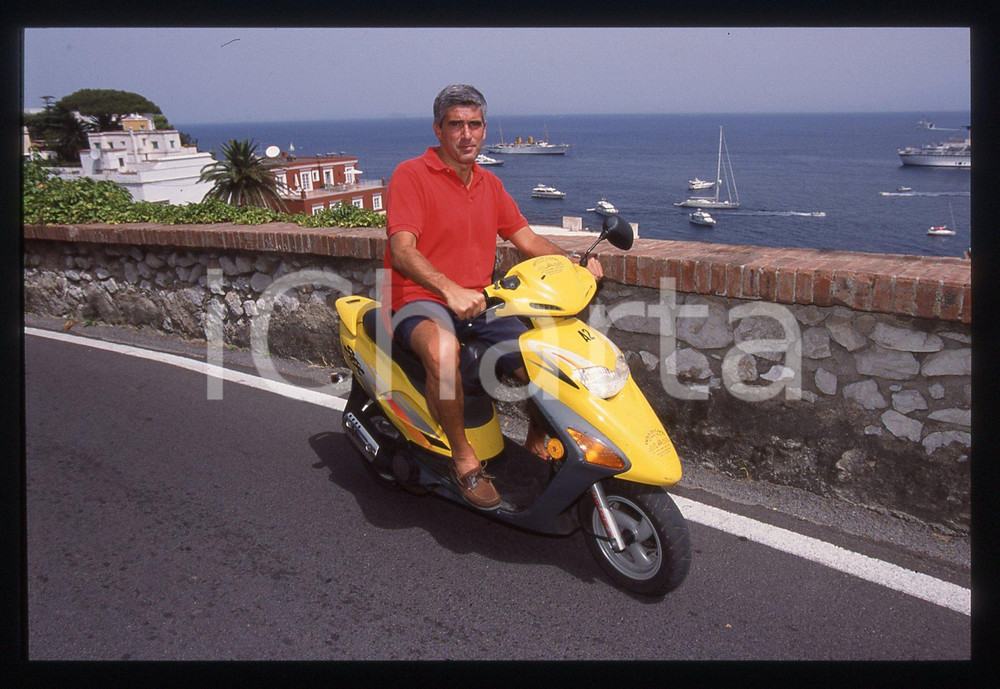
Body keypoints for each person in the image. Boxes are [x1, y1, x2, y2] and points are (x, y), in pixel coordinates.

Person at [383, 84, 603, 510]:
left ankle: (537, 442)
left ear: (484, 130)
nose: (466, 134)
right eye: (456, 125)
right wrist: (449, 289)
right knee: (444, 351)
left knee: (544, 357)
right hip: (420, 299)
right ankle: (464, 460)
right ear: (438, 130)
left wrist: (574, 263)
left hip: (480, 302)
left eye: (475, 124)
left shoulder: (489, 183)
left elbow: (528, 239)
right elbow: (402, 250)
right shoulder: (411, 175)